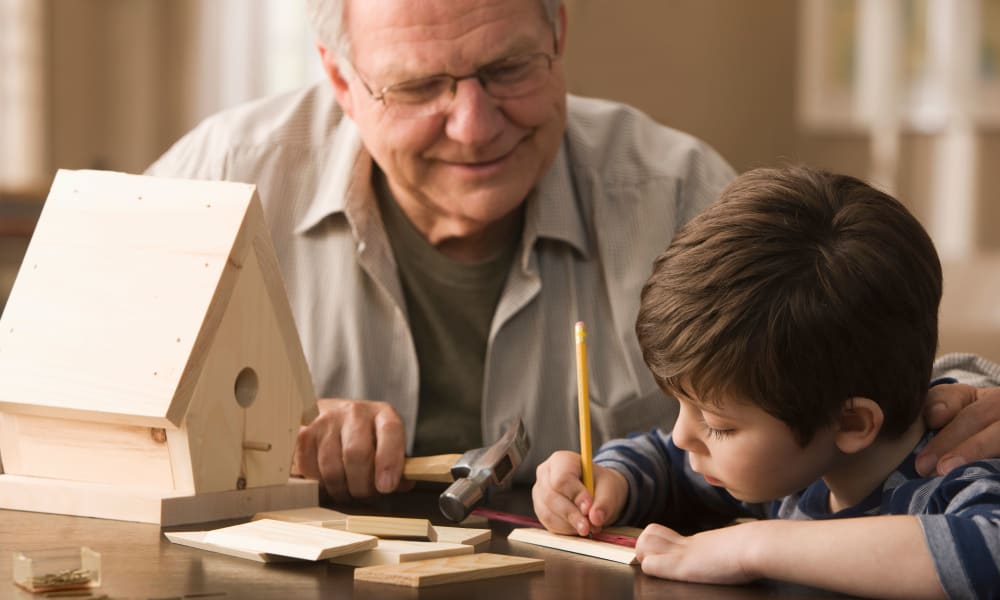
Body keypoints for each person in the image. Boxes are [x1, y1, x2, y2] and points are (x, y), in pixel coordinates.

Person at [145, 0, 1000, 502]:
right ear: (341, 84)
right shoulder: (221, 180)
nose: (475, 125)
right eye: (419, 87)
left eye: (509, 69)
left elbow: (847, 365)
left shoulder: (674, 189)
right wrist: (254, 430)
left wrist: (960, 396)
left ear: (559, 42)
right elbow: (49, 403)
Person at [532, 166, 1000, 599]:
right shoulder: (794, 467)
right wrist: (608, 481)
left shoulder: (949, 479)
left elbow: (990, 550)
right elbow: (670, 461)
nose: (681, 434)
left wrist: (751, 546)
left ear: (852, 423)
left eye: (719, 425)